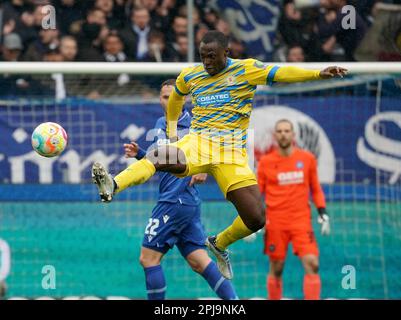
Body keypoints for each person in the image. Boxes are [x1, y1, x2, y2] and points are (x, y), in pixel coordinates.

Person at [91, 30, 346, 280]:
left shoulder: (246, 70)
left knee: (256, 218)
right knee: (159, 157)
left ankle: (218, 243)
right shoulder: (191, 75)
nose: (207, 62)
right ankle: (114, 184)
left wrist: (317, 73)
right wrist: (171, 132)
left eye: (212, 56)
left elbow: (281, 73)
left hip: (231, 153)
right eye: (203, 56)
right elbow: (177, 97)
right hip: (199, 142)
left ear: (227, 52)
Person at [121, 79, 238, 300]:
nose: (169, 101)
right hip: (185, 203)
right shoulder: (159, 123)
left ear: (183, 98)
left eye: (174, 97)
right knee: (199, 261)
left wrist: (205, 169)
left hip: (174, 201)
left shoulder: (196, 126)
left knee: (148, 259)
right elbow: (161, 160)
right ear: (159, 99)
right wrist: (140, 153)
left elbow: (221, 152)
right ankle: (234, 302)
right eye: (164, 97)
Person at [257, 119, 331, 300]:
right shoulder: (265, 162)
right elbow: (257, 194)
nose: (283, 134)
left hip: (301, 221)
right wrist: (255, 220)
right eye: (280, 131)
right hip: (275, 221)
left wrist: (322, 212)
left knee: (312, 263)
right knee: (277, 267)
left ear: (293, 134)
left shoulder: (307, 159)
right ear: (275, 136)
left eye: (287, 130)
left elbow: (316, 189)